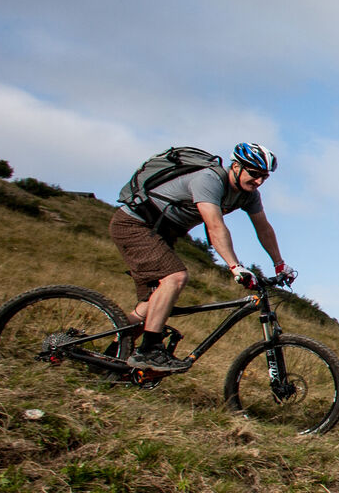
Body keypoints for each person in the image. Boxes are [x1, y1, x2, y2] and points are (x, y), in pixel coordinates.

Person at [108, 142, 293, 372]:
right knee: (175, 277)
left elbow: (263, 228)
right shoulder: (209, 179)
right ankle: (149, 351)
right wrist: (235, 266)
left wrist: (279, 264)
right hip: (135, 224)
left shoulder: (249, 195)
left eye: (264, 177)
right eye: (254, 174)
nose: (258, 182)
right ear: (236, 166)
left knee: (151, 305)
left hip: (163, 233)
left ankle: (109, 358)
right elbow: (215, 226)